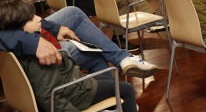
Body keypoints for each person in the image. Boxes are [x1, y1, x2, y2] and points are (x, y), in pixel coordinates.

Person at [0, 0, 161, 112]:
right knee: (126, 89)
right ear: (17, 30)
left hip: (69, 87)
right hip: (71, 95)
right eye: (31, 18)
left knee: (105, 80)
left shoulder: (20, 48)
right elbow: (48, 95)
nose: (39, 19)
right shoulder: (41, 55)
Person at [0, 5, 160, 79]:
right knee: (96, 52)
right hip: (13, 45)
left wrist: (53, 28)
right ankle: (111, 109)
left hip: (12, 31)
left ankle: (122, 58)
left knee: (73, 13)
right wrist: (30, 40)